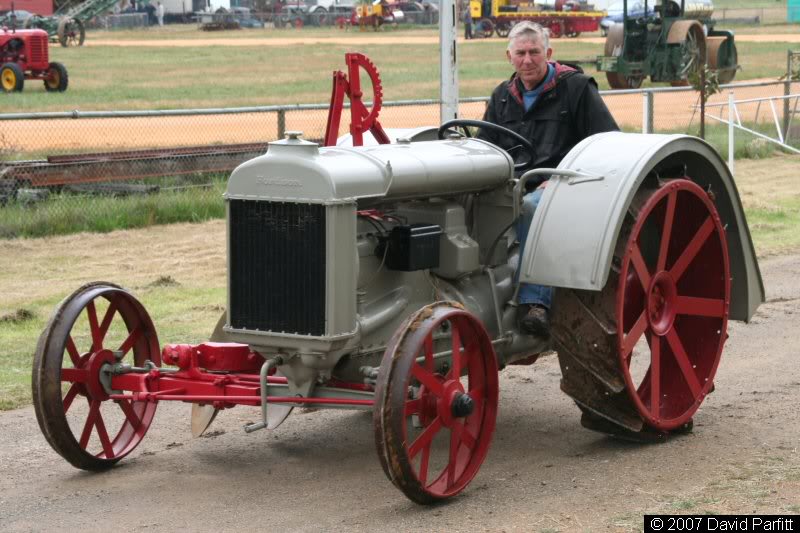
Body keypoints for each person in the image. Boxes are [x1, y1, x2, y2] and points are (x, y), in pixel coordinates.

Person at [477, 21, 619, 339]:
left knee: (530, 208)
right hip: (513, 182)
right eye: (521, 53)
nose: (527, 60)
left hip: (563, 183)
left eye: (534, 52)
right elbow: (484, 146)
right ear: (509, 56)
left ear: (548, 53)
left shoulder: (576, 88)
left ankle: (534, 303)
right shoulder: (502, 97)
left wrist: (558, 177)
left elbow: (607, 143)